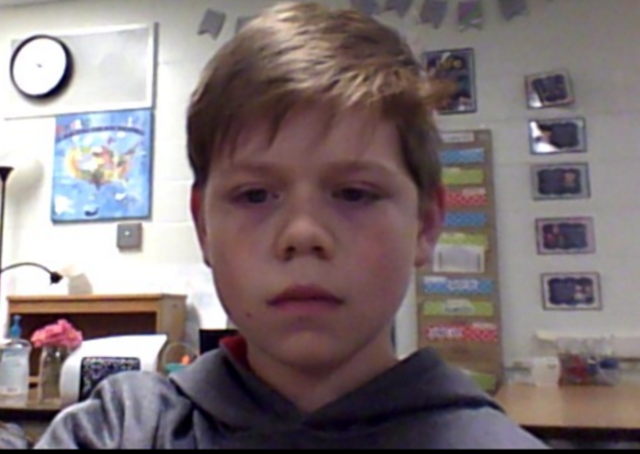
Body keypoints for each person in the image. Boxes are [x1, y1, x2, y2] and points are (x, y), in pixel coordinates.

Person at [35, 2, 545, 449]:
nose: (303, 235)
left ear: (426, 225)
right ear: (204, 228)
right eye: (255, 195)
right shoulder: (116, 431)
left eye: (354, 194)